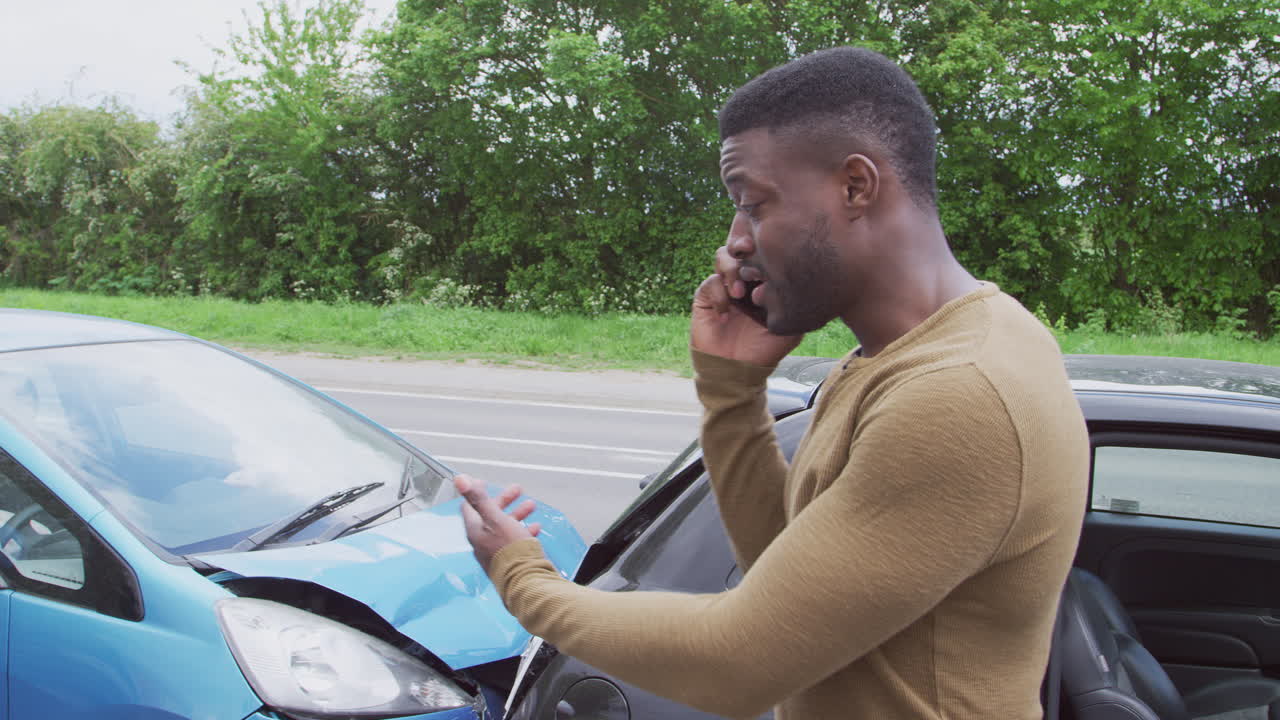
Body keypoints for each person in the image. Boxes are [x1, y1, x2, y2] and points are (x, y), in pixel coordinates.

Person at [453, 46, 1090, 720]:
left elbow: (738, 662)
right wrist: (733, 393)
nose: (735, 242)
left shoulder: (959, 392)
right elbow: (783, 576)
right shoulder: (903, 356)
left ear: (855, 186)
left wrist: (521, 575)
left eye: (752, 204)